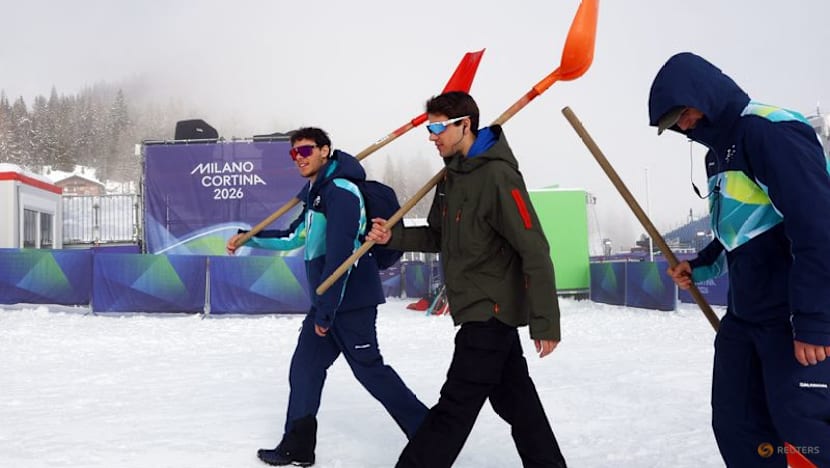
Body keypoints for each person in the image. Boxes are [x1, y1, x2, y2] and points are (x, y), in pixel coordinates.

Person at [367, 91, 567, 468]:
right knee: (518, 404)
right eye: (429, 129)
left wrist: (545, 321)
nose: (433, 137)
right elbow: (437, 236)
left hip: (489, 311)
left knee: (453, 410)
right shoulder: (451, 178)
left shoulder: (498, 176)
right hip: (478, 310)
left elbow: (534, 248)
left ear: (466, 125)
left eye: (439, 128)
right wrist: (393, 237)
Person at [649, 52, 830, 466]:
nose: (684, 125)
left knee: (807, 430)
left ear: (705, 95)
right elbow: (739, 229)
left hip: (790, 315)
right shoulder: (717, 153)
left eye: (684, 113)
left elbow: (818, 229)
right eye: (675, 123)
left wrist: (815, 321)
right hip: (746, 315)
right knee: (738, 425)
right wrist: (700, 264)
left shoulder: (769, 131)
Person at [227, 127, 427, 467]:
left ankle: (430, 433)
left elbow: (340, 257)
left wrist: (326, 312)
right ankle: (298, 446)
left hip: (351, 300)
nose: (299, 158)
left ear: (324, 150)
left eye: (305, 150)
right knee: (305, 369)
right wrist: (249, 238)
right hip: (328, 301)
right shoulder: (317, 192)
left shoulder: (342, 191)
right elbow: (294, 237)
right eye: (294, 153)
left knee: (370, 371)